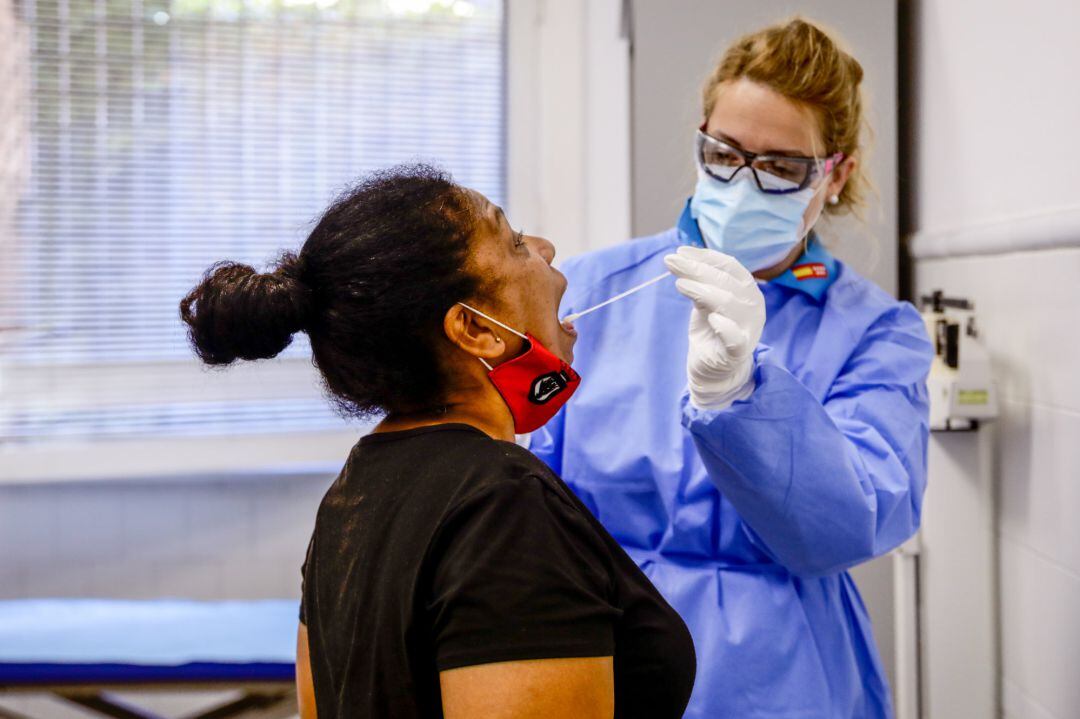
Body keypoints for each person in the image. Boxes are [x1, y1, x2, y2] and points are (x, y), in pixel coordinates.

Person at [179, 165, 696, 719]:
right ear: (476, 331)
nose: (547, 250)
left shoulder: (354, 492)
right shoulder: (504, 507)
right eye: (516, 243)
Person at [530, 18, 933, 719]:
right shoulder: (591, 291)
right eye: (723, 154)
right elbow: (522, 497)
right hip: (595, 657)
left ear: (835, 174)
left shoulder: (875, 332)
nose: (744, 183)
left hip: (782, 681)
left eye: (780, 167)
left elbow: (849, 523)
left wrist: (743, 396)